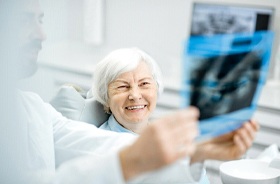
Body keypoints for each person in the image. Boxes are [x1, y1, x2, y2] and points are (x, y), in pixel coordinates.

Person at [0, 0, 259, 183]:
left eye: (145, 84)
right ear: (105, 99)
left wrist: (196, 150)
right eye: (24, 20)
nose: (42, 35)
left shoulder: (32, 107)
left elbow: (96, 146)